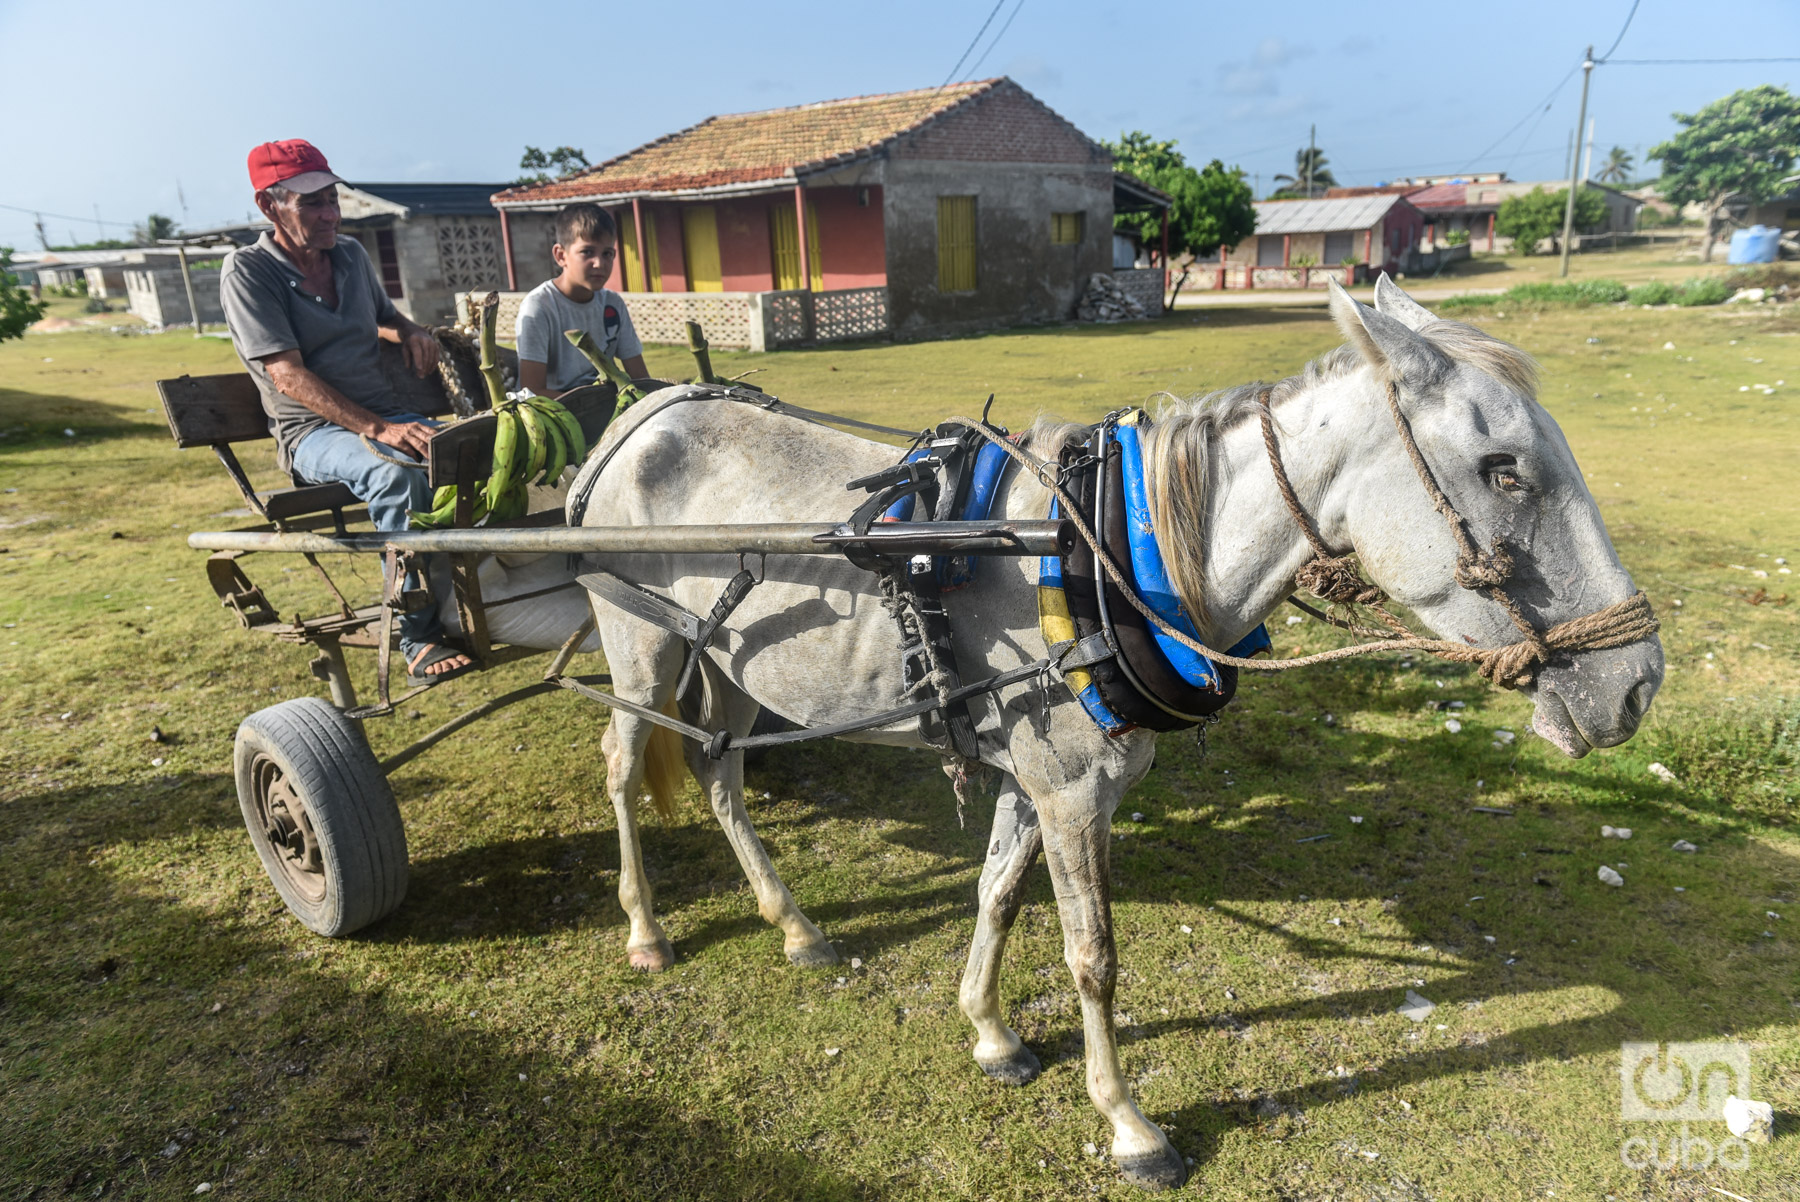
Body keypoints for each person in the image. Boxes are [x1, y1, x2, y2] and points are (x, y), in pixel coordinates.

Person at [219, 138, 473, 685]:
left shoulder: (352, 256)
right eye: (311, 203)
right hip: (313, 432)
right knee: (398, 474)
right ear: (269, 206)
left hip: (386, 412)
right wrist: (380, 428)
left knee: (479, 450)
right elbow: (283, 372)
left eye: (332, 198)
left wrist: (410, 332)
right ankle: (419, 636)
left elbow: (384, 316)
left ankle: (479, 599)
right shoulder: (249, 272)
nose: (330, 213)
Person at [515, 203, 647, 397]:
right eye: (587, 252)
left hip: (608, 405)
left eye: (607, 253)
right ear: (561, 256)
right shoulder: (539, 307)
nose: (599, 263)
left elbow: (640, 377)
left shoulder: (613, 304)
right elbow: (532, 390)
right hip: (555, 412)